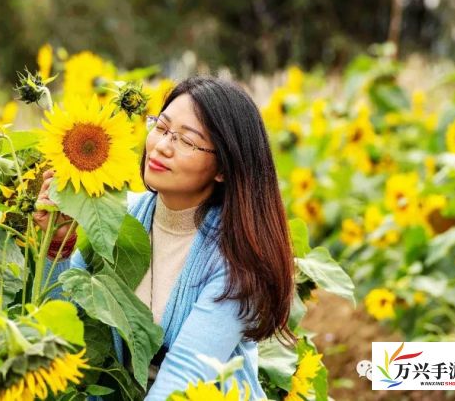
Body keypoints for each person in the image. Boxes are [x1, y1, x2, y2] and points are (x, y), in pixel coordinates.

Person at [34, 76, 296, 400]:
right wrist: (57, 245)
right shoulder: (118, 219)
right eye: (161, 127)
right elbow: (65, 328)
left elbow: (183, 378)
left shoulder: (237, 261)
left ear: (223, 168)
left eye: (186, 141)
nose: (161, 146)